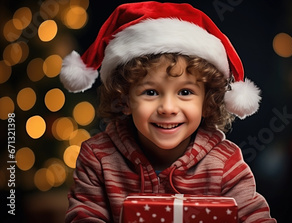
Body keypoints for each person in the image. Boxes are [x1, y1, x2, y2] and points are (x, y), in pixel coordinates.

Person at [60, 2, 275, 222]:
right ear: (123, 99)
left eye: (185, 91)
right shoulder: (97, 158)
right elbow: (84, 217)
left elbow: (255, 218)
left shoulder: (225, 163)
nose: (168, 108)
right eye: (151, 92)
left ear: (207, 101)